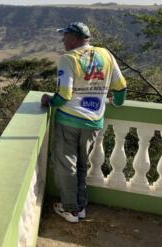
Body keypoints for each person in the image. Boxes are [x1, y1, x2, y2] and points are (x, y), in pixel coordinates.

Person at [41, 22, 127, 223]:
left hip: (69, 121)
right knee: (81, 164)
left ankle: (70, 210)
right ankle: (80, 207)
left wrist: (49, 100)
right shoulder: (105, 54)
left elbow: (63, 95)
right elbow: (121, 87)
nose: (62, 40)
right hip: (94, 122)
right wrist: (116, 103)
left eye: (65, 36)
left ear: (73, 38)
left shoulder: (69, 59)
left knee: (66, 166)